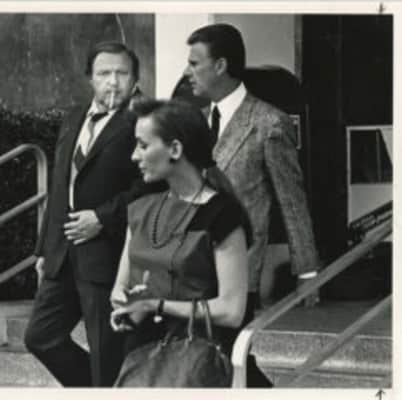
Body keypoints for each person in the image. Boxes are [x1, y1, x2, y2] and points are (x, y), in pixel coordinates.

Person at [110, 98, 272, 387]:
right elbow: (121, 290)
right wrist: (127, 308)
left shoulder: (221, 215)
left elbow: (232, 311)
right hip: (142, 359)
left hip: (199, 363)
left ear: (175, 149)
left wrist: (155, 305)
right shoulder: (140, 209)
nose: (134, 156)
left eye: (143, 145)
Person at [24, 42, 156, 387]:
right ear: (90, 78)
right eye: (104, 73)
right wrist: (44, 248)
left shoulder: (146, 121)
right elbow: (60, 185)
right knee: (41, 337)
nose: (113, 82)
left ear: (135, 78)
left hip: (108, 254)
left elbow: (152, 187)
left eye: (121, 73)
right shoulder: (74, 116)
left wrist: (102, 218)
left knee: (106, 353)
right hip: (62, 254)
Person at [183, 24, 322, 308]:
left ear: (220, 65)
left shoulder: (268, 123)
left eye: (195, 63)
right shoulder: (194, 120)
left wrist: (307, 271)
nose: (187, 72)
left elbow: (292, 201)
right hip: (189, 268)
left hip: (238, 273)